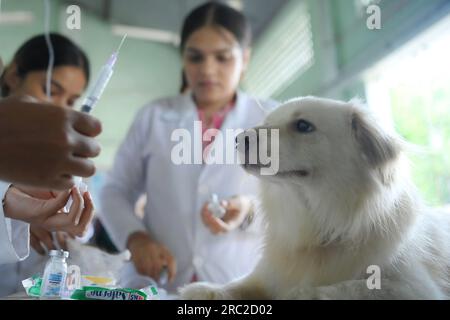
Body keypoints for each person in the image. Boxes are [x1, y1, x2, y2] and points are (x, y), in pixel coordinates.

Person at [99, 2, 277, 293]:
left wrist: (247, 212)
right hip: (164, 282)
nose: (207, 69)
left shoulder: (270, 119)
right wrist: (136, 238)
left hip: (242, 281)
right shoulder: (154, 117)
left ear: (245, 59)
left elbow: (298, 201)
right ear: (182, 58)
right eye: (195, 57)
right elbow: (114, 190)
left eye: (223, 58)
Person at [0, 33, 96, 296]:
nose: (59, 108)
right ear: (12, 77)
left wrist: (68, 223)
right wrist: (13, 220)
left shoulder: (62, 155)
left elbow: (85, 227)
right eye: (51, 91)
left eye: (70, 101)